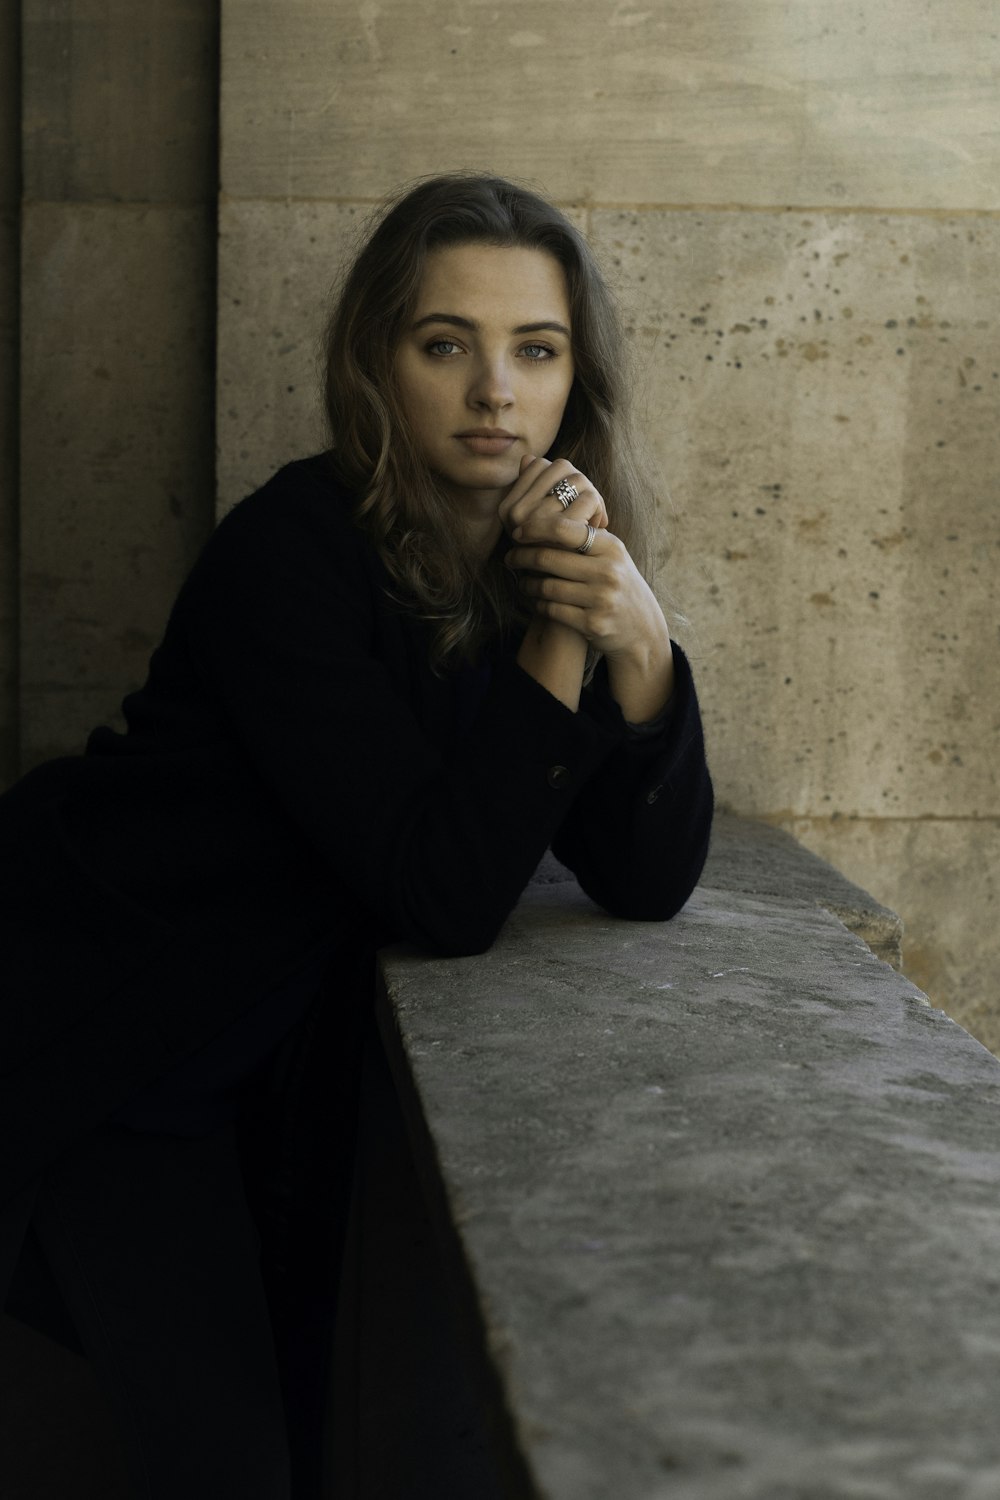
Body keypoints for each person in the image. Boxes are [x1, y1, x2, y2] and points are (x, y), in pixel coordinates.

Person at [0, 172, 713, 1497]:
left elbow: (649, 874)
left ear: (574, 383)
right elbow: (446, 887)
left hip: (256, 1058)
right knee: (231, 1470)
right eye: (447, 345)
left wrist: (647, 654)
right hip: (105, 1032)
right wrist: (567, 635)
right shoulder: (289, 555)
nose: (495, 390)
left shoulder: (527, 557)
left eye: (535, 351)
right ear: (377, 361)